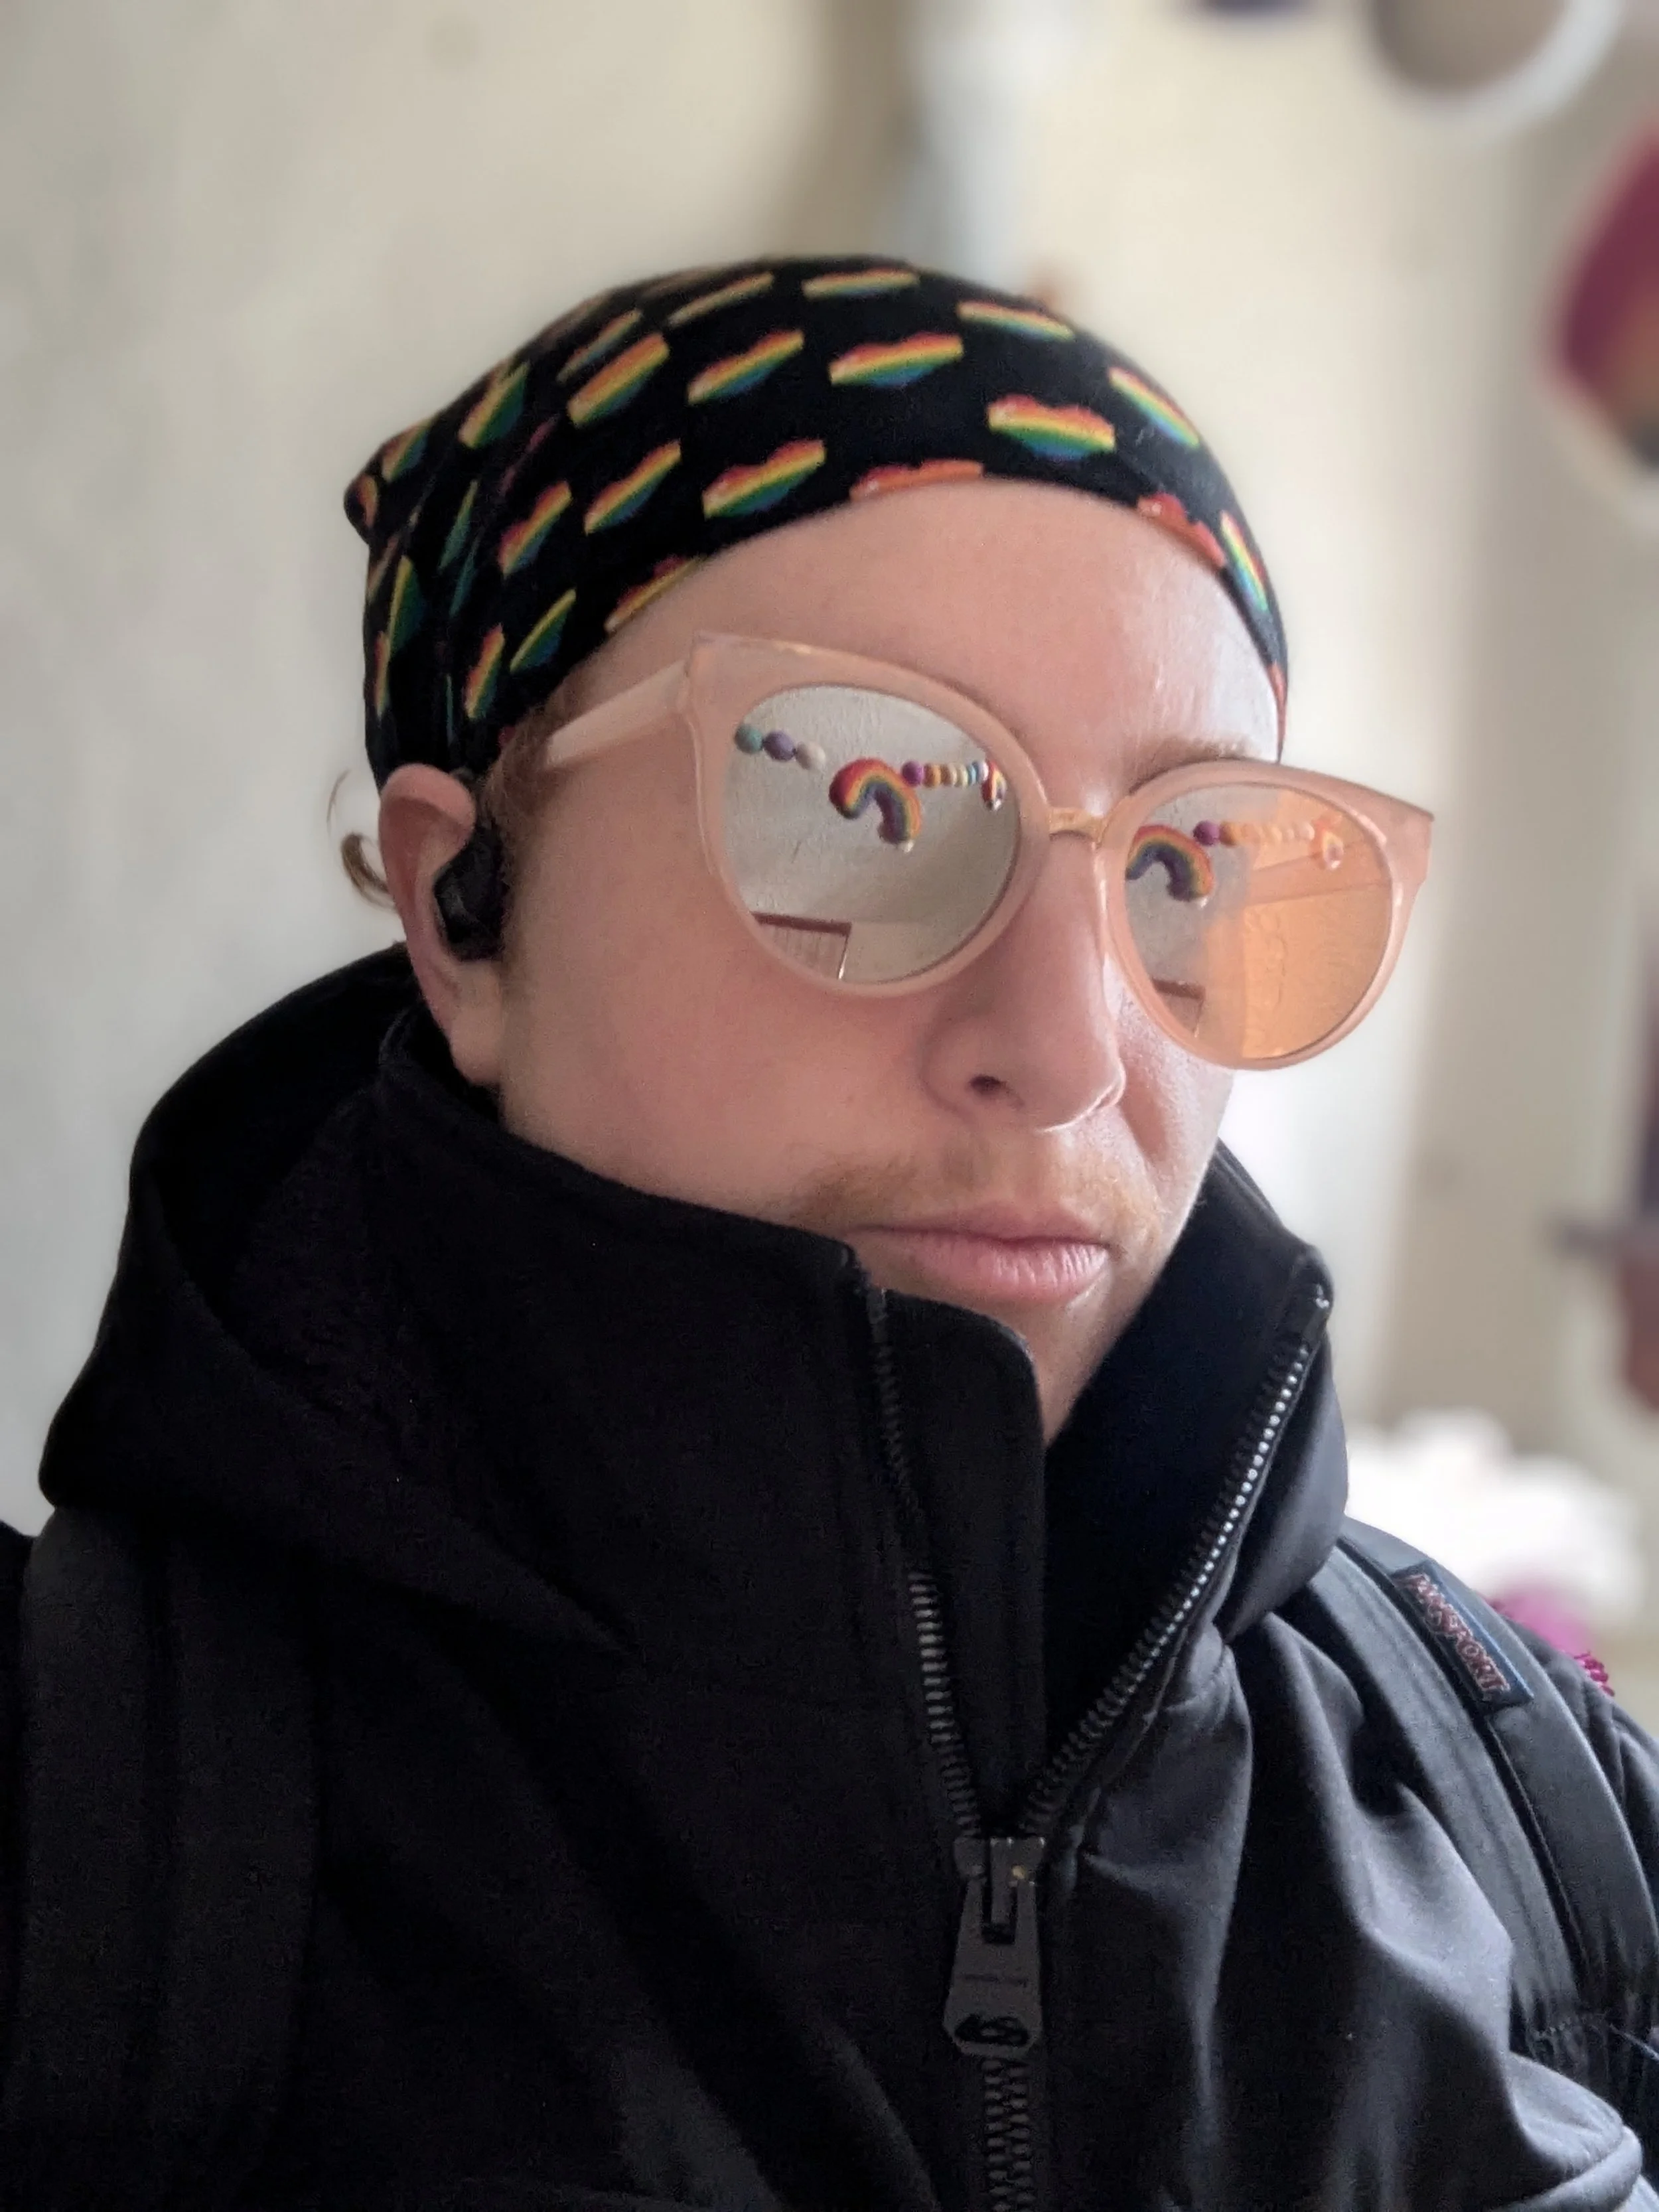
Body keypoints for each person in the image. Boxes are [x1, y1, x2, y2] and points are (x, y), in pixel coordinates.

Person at [7, 256, 1658, 2212]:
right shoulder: (85, 1839)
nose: (1068, 1048)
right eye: (869, 806)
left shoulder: (1528, 1794)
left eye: (1182, 862)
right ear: (465, 912)